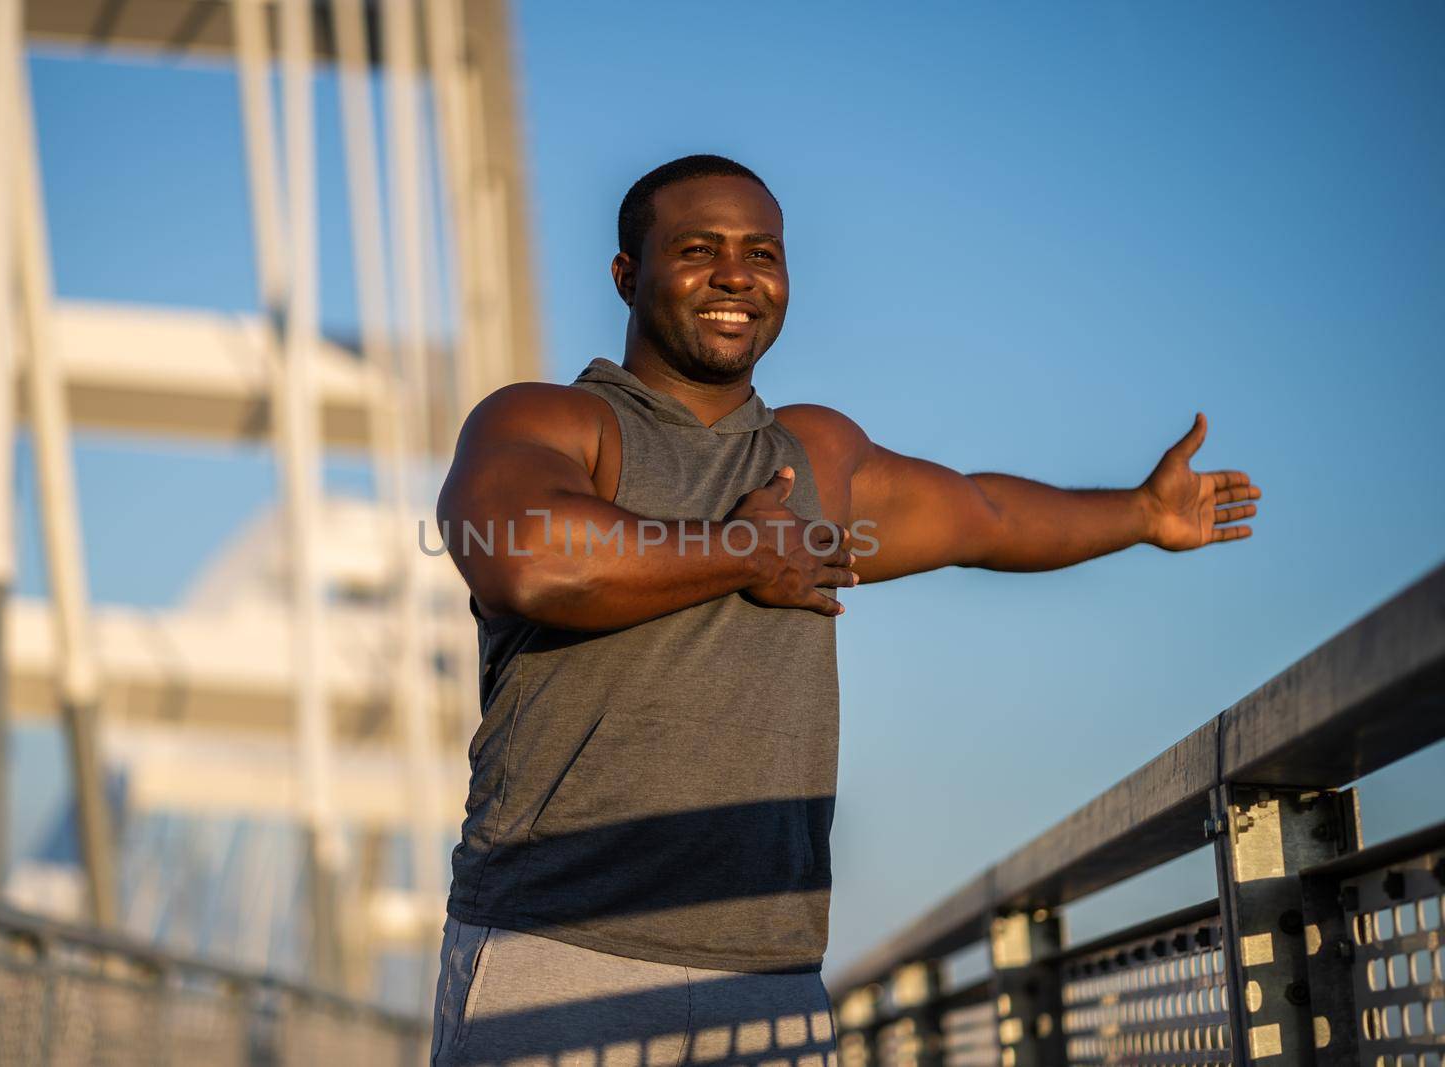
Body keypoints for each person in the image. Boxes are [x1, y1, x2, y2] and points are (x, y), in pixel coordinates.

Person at [428, 155, 1260, 1065]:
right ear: (628, 275)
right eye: (698, 249)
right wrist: (742, 552)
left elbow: (985, 516)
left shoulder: (814, 452)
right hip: (558, 953)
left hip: (774, 975)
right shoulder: (550, 421)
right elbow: (533, 561)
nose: (737, 276)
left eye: (764, 254)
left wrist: (1141, 513)